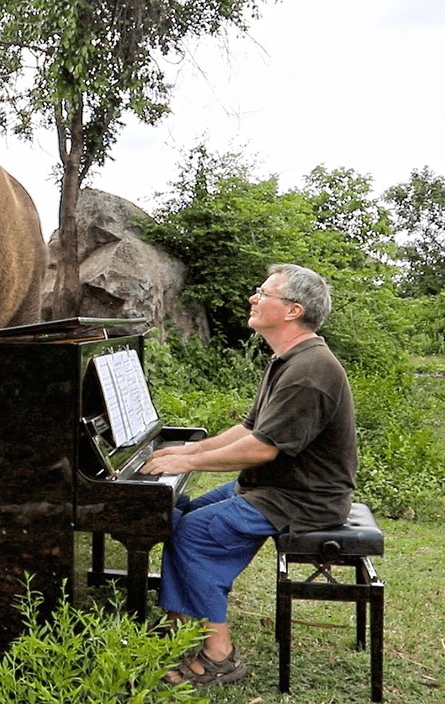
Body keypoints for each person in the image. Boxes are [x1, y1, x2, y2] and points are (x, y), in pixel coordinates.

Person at [139, 263, 358, 687]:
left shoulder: (310, 372)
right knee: (177, 515)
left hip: (303, 499)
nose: (253, 299)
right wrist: (191, 448)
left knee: (196, 533)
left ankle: (220, 657)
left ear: (292, 311)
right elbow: (250, 429)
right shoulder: (289, 359)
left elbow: (262, 448)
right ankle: (182, 627)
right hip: (276, 488)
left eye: (264, 293)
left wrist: (185, 463)